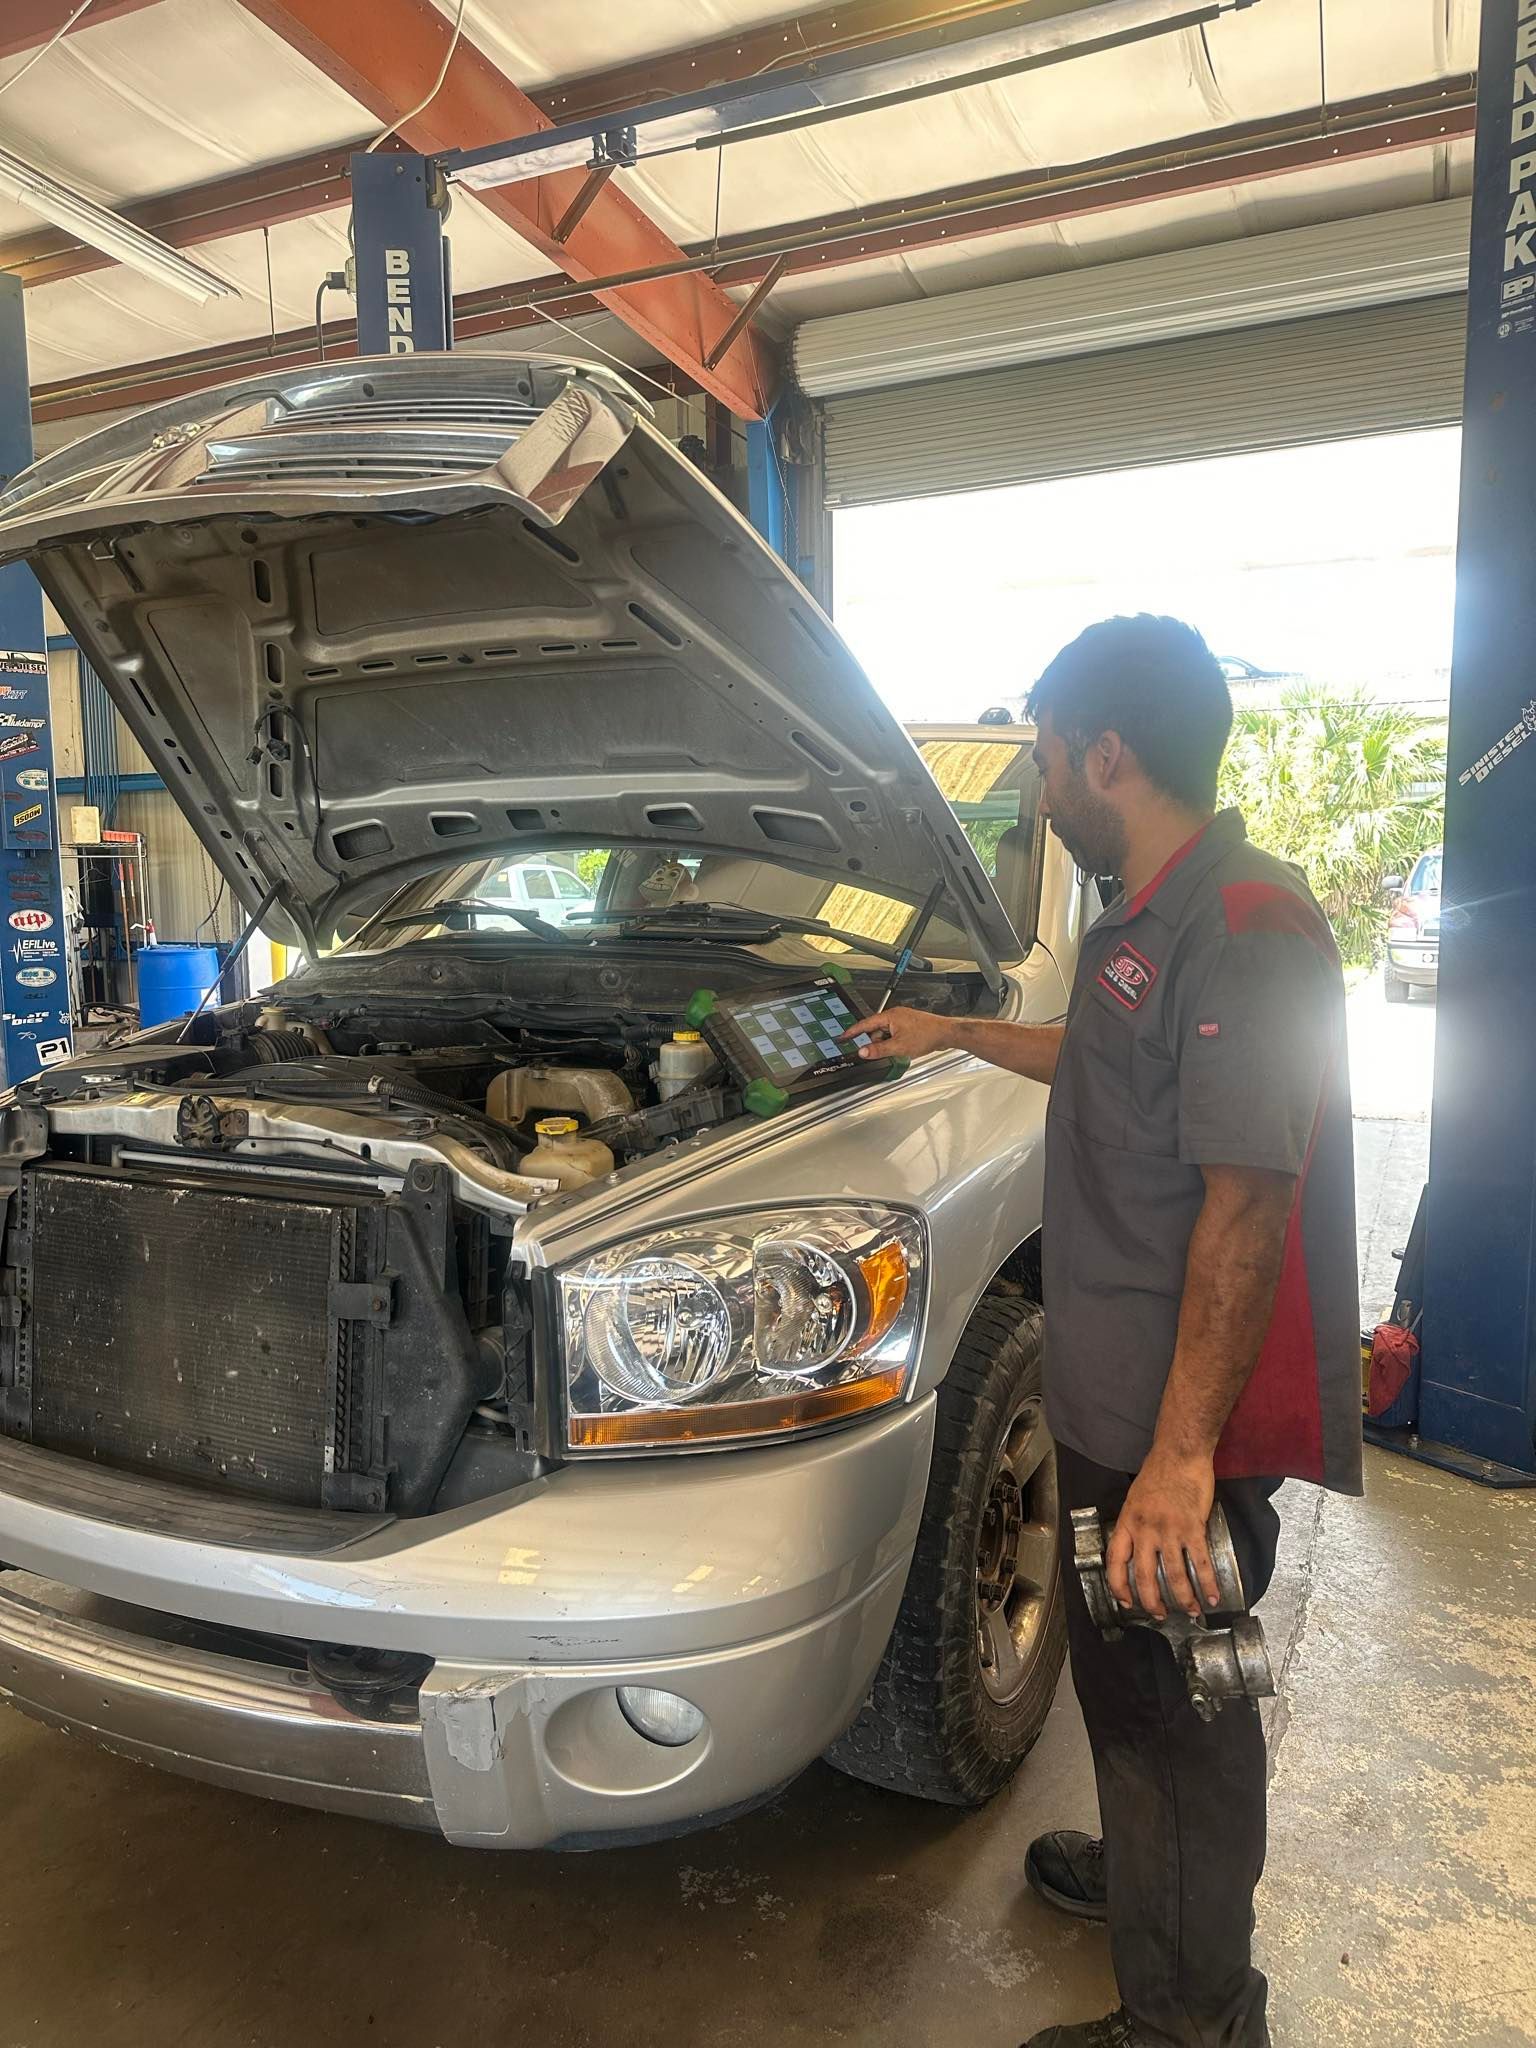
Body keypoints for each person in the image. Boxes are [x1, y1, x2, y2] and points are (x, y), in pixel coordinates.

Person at [847, 616, 1362, 2048]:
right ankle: (1152, 1883)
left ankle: (1190, 2019)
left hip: (1172, 1426)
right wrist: (956, 1036)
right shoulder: (1151, 914)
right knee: (1131, 1687)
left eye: (1048, 757)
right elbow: (1113, 1061)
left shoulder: (1246, 923)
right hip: (1116, 1396)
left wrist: (1184, 1463)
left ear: (1109, 753)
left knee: (1181, 1711)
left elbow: (1248, 1207)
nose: (1041, 785)